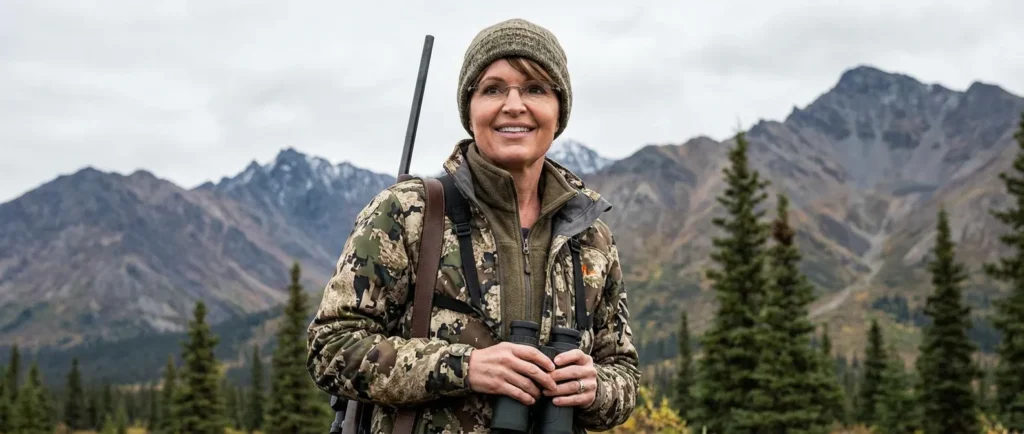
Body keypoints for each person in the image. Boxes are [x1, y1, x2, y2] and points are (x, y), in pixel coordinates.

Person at [306, 17, 639, 433]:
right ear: (470, 109)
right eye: (493, 89)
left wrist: (596, 388)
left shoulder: (590, 234)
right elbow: (331, 348)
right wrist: (466, 367)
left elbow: (623, 372)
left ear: (559, 110)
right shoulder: (410, 211)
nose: (514, 105)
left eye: (535, 88)